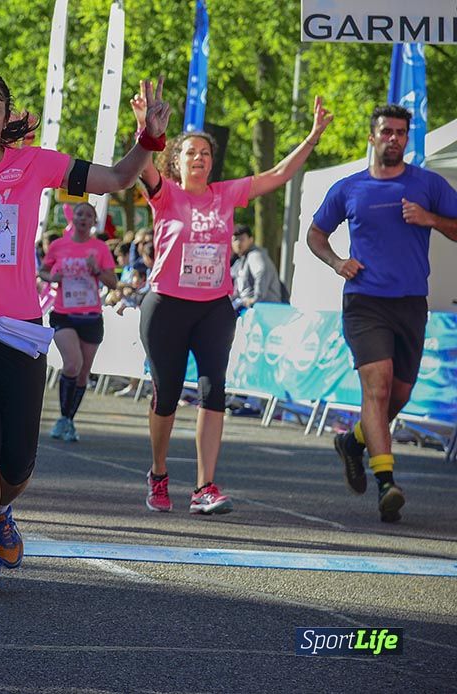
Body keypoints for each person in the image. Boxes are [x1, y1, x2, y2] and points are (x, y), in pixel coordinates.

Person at [0, 72, 168, 597]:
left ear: (5, 113)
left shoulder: (34, 163)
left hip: (18, 324)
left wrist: (148, 141)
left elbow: (117, 178)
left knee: (16, 461)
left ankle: (2, 510)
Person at [130, 87, 332, 515]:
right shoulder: (164, 193)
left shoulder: (226, 194)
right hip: (165, 306)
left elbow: (277, 173)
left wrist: (312, 138)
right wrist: (146, 129)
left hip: (213, 308)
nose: (199, 158)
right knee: (165, 396)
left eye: (205, 152)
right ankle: (159, 472)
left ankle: (205, 486)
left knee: (213, 391)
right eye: (190, 153)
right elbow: (141, 165)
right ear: (177, 161)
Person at [307, 104, 457, 523]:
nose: (394, 139)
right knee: (378, 386)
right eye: (386, 131)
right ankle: (387, 483)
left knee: (400, 396)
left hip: (410, 303)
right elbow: (316, 234)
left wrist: (430, 219)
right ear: (372, 137)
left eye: (401, 133)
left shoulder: (428, 184)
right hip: (365, 301)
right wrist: (338, 263)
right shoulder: (349, 188)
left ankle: (354, 441)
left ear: (407, 139)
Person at [39, 201, 118, 443]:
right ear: (72, 218)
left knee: (83, 372)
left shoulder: (100, 248)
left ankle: (69, 419)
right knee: (72, 364)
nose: (83, 218)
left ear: (94, 222)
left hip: (91, 316)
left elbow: (113, 282)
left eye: (89, 215)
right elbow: (42, 271)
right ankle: (63, 419)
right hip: (64, 314)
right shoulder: (58, 245)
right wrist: (53, 276)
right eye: (80, 214)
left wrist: (97, 270)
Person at [230, 224, 285, 309]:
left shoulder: (255, 255)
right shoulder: (240, 261)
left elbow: (261, 272)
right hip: (252, 308)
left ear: (251, 240)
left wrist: (255, 299)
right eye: (235, 239)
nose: (238, 243)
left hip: (264, 309)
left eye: (242, 239)